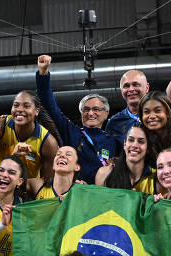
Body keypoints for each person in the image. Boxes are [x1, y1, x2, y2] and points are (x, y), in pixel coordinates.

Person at [36, 55, 120, 184]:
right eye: (86, 110)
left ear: (106, 113)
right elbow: (50, 107)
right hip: (76, 194)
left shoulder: (114, 141)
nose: (90, 113)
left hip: (103, 196)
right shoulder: (72, 133)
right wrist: (43, 74)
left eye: (96, 109)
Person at [106, 24, 171, 141]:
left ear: (147, 87)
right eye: (126, 86)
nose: (131, 89)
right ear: (121, 90)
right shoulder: (114, 123)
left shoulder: (162, 106)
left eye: (136, 84)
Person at [0, 91, 60, 187]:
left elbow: (47, 184)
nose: (19, 110)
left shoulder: (48, 142)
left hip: (26, 194)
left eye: (26, 106)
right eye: (16, 105)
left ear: (37, 111)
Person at [96, 123, 156, 195]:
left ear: (148, 148)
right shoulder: (104, 173)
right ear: (124, 144)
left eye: (141, 141)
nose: (134, 145)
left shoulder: (156, 177)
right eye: (131, 140)